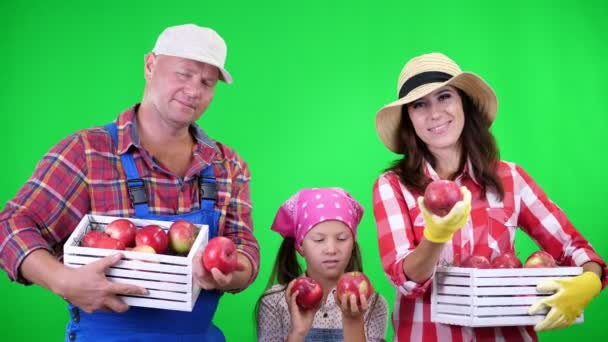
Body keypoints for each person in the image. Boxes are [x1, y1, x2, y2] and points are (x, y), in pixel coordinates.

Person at [0, 24, 259, 341]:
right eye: (184, 73)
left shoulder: (227, 165)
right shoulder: (87, 152)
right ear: (150, 65)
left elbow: (244, 249)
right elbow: (10, 225)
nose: (194, 90)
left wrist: (223, 275)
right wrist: (62, 280)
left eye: (207, 82)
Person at [372, 52, 606, 341]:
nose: (434, 113)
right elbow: (406, 280)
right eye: (419, 104)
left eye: (444, 97)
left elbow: (576, 247)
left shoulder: (511, 178)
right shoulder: (393, 185)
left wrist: (588, 281)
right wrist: (435, 237)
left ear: (464, 104)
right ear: (409, 119)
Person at [256, 187, 389, 342]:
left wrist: (353, 321)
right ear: (300, 246)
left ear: (353, 243)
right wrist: (298, 332)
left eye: (342, 238)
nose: (331, 250)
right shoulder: (274, 302)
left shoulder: (372, 303)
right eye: (319, 240)